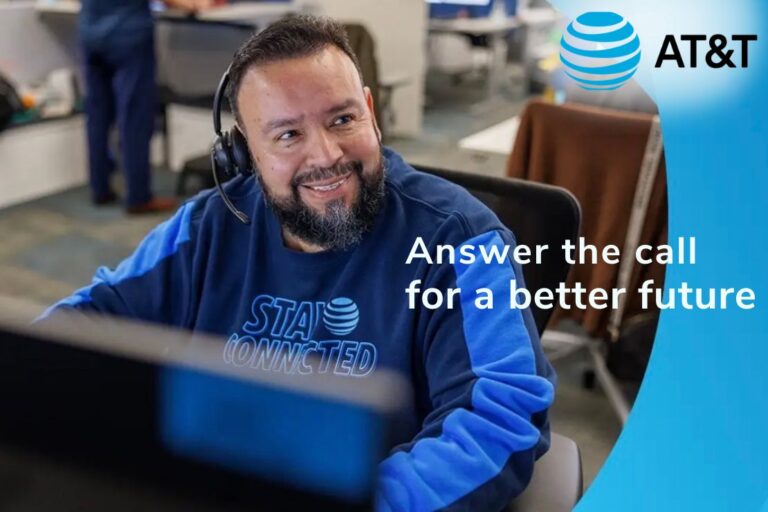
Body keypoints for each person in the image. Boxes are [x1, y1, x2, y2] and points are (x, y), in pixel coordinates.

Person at [46, 15, 556, 511]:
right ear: (245, 153)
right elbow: (83, 324)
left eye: (342, 119)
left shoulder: (462, 238)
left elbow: (498, 418)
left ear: (371, 113)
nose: (326, 155)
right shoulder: (207, 227)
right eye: (288, 135)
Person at [78, 0, 211, 213]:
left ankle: (99, 188)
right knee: (134, 117)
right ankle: (138, 197)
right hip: (127, 35)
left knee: (97, 116)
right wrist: (195, 4)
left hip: (90, 32)